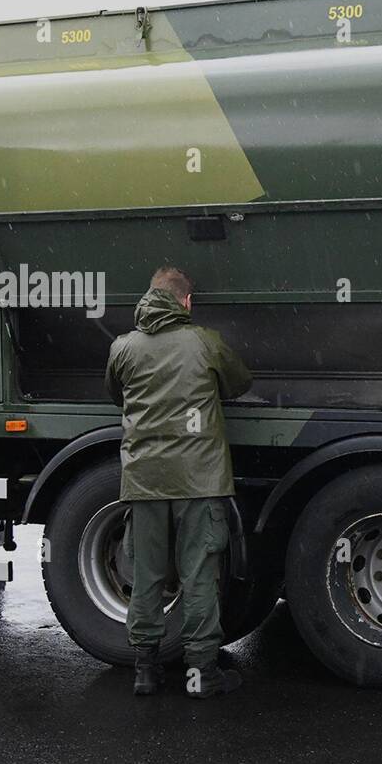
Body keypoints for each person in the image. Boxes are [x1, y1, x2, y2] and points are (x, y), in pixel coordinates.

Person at [104, 267, 253, 698]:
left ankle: (145, 671)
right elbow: (240, 382)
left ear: (150, 297)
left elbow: (117, 394)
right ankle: (202, 673)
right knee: (198, 575)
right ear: (186, 302)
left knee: (147, 575)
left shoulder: (123, 348)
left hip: (145, 480)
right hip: (199, 479)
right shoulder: (204, 342)